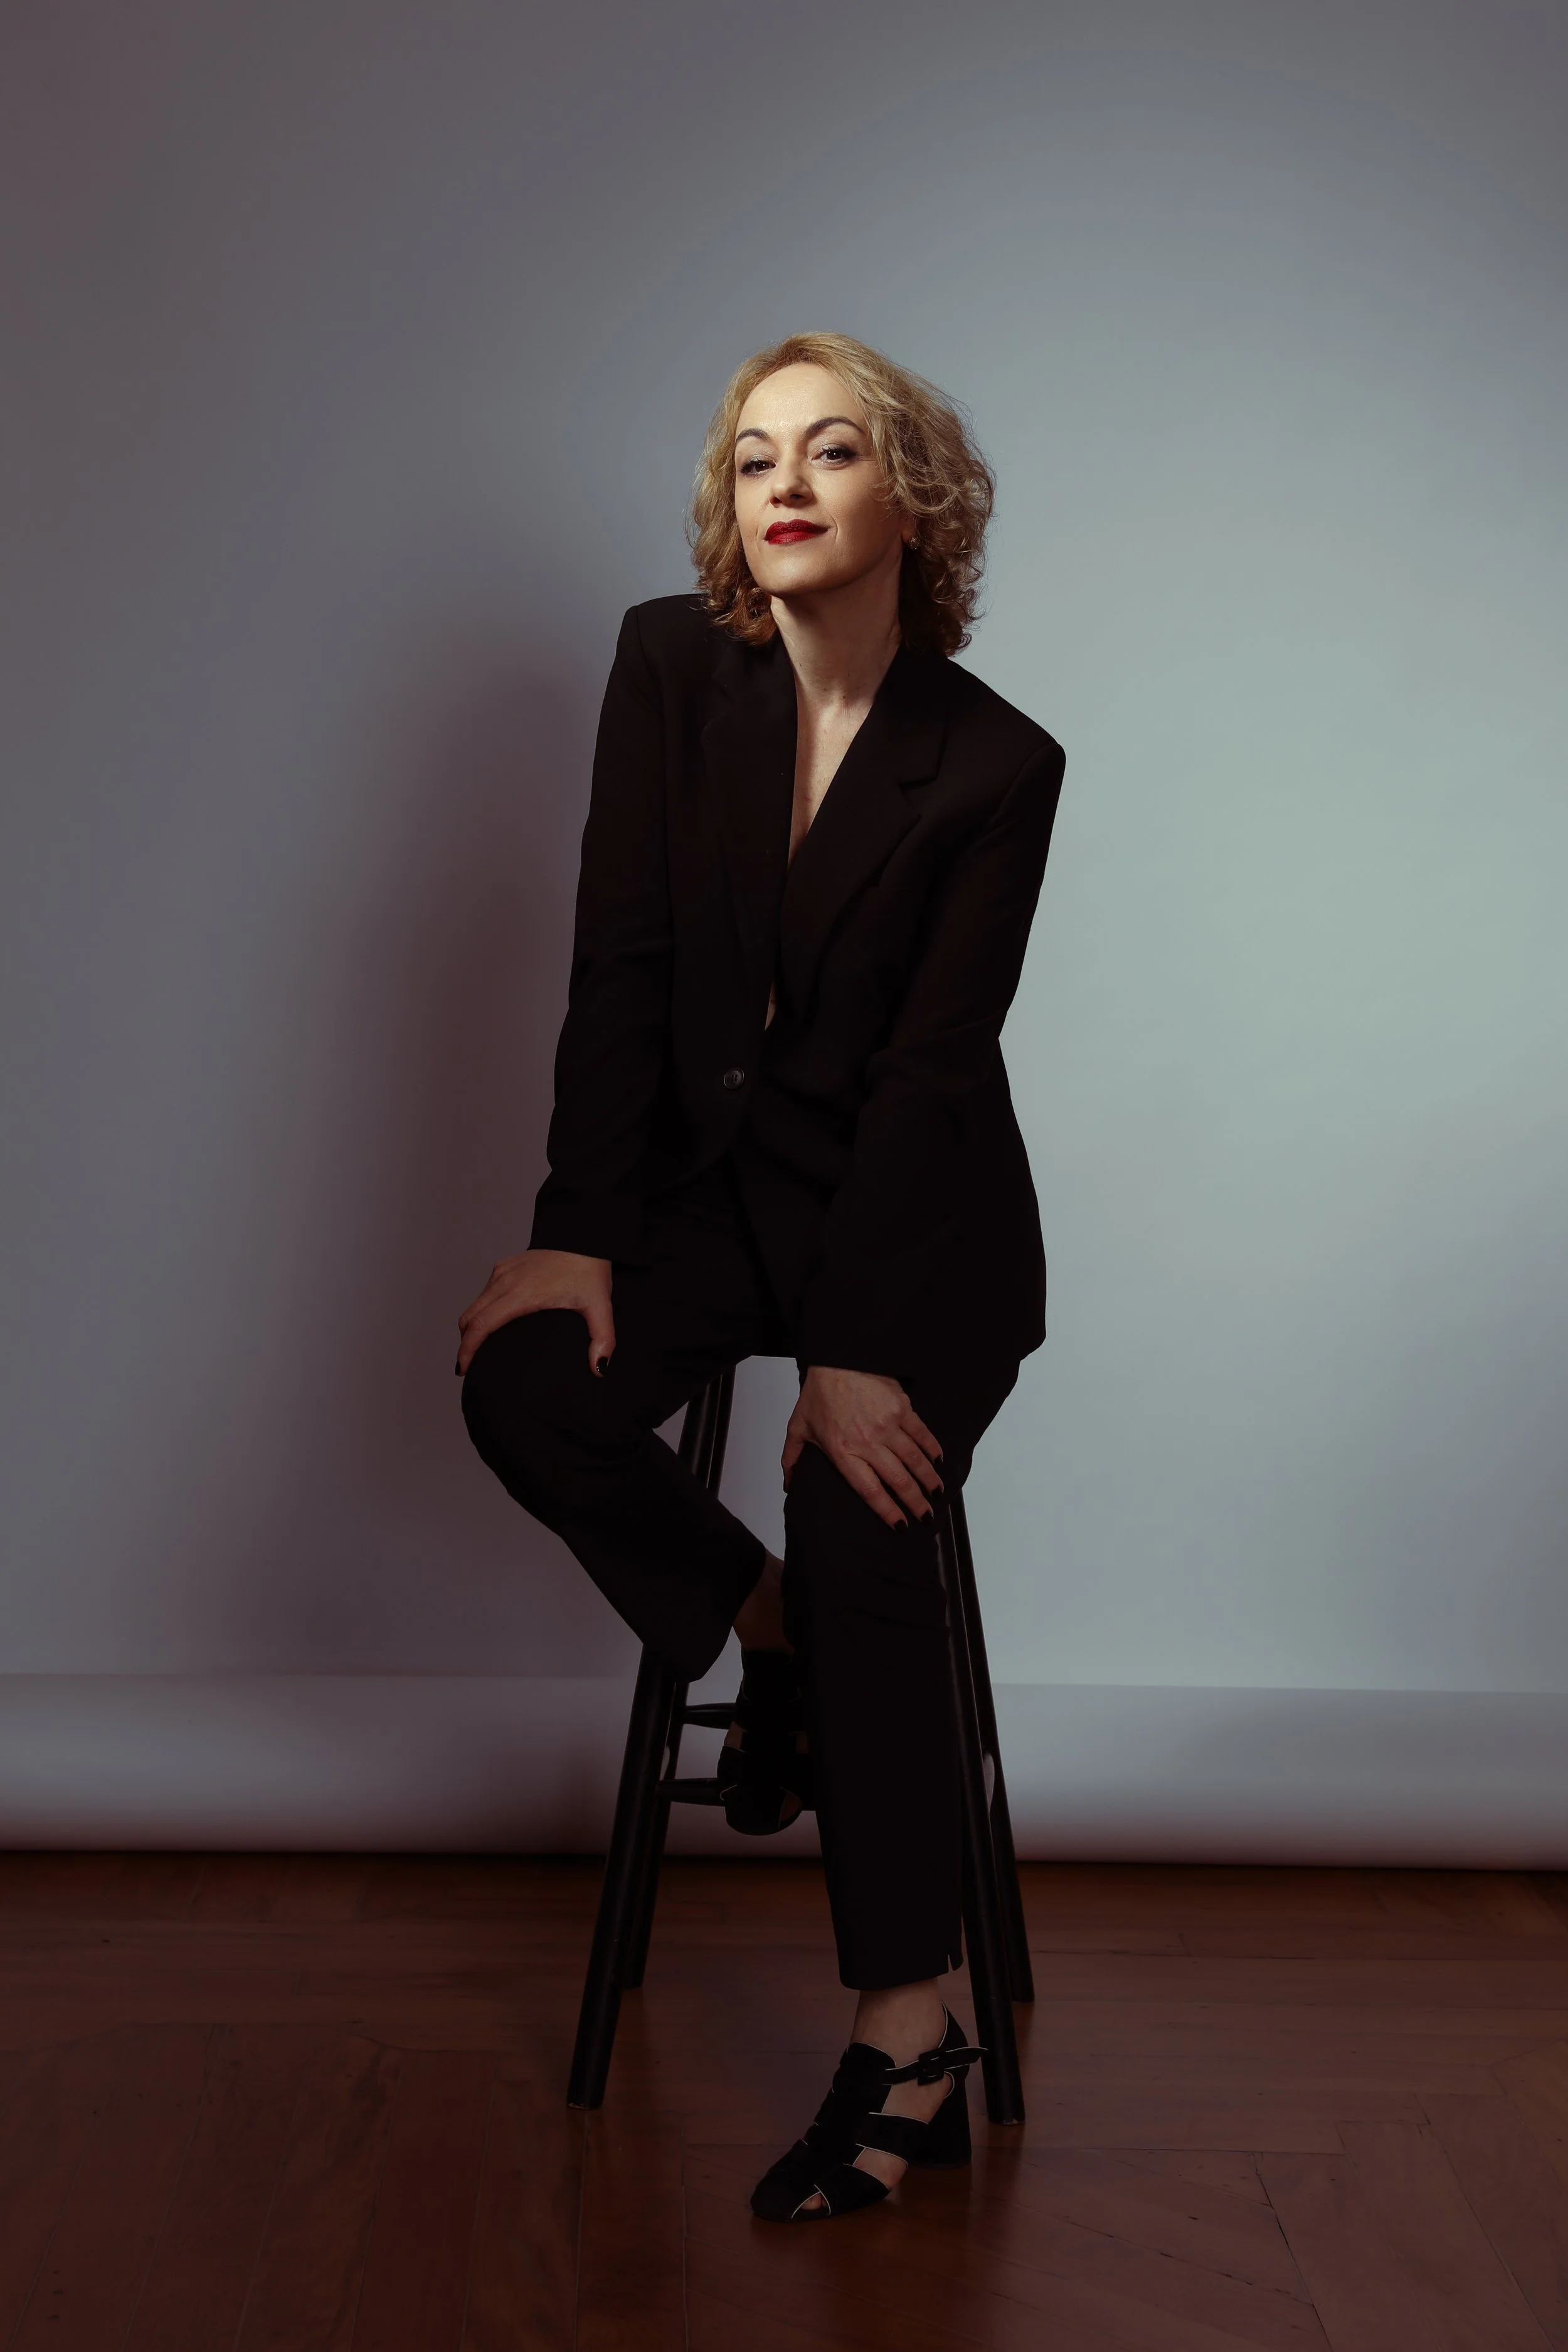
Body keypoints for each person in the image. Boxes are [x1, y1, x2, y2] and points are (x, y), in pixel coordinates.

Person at [456, 331, 1065, 2222]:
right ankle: (763, 1626)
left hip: (920, 1225)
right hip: (714, 1201)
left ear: (914, 499)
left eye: (832, 449)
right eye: (751, 458)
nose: (783, 483)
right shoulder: (669, 668)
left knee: (863, 1509)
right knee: (524, 1382)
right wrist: (579, 1225)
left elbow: (932, 1075)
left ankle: (907, 2025)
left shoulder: (995, 764)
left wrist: (859, 1348)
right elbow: (619, 965)